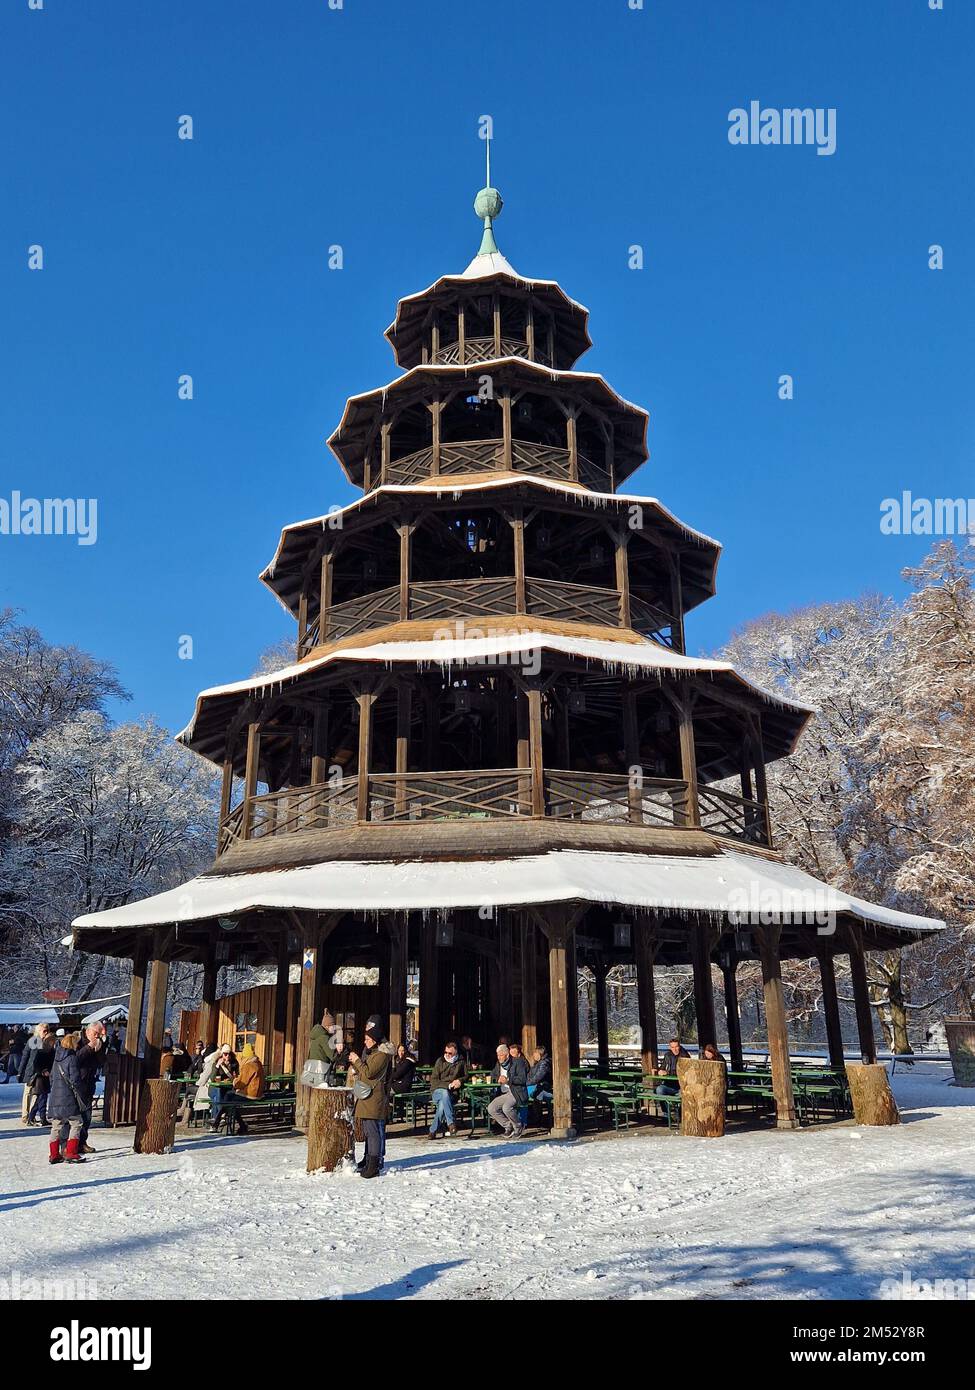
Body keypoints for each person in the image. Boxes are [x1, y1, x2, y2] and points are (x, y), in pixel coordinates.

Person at [346, 1016, 392, 1179]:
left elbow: (369, 1073)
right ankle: (369, 1161)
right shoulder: (373, 1052)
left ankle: (373, 1165)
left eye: (367, 1038)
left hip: (374, 1098)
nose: (364, 1041)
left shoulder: (381, 1055)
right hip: (369, 1098)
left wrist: (358, 1061)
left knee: (373, 1132)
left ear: (374, 1039)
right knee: (369, 1131)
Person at [48, 1033, 87, 1164]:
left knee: (56, 1125)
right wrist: (82, 1094)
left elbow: (52, 1078)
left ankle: (54, 1154)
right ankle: (71, 1152)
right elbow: (75, 1080)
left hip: (55, 1097)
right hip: (68, 1098)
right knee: (77, 1122)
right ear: (73, 1043)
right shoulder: (72, 1058)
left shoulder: (56, 1058)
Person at [487, 1041, 530, 1139]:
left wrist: (508, 1080)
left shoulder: (518, 1062)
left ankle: (518, 1126)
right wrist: (498, 1077)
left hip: (517, 1091)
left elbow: (522, 1079)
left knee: (506, 1107)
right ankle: (508, 1126)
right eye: (498, 1055)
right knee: (491, 1108)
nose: (498, 1057)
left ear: (507, 1055)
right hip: (504, 1092)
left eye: (501, 1055)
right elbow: (493, 1074)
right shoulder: (499, 1064)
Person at [221, 1043, 266, 1134]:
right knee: (230, 1101)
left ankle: (224, 1120)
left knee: (228, 1097)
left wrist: (234, 1081)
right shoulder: (258, 1063)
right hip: (258, 1093)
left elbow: (241, 1083)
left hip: (251, 1094)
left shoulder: (248, 1065)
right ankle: (223, 1120)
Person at [76, 1023, 106, 1154]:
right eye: (96, 1033)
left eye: (99, 1034)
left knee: (87, 1116)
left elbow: (101, 1063)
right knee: (74, 1116)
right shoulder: (77, 1040)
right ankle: (70, 1143)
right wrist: (89, 1047)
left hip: (89, 1082)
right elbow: (75, 1060)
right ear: (88, 1031)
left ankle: (82, 1142)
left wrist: (100, 1049)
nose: (97, 1036)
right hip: (77, 1083)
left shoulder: (98, 1043)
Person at [428, 1040, 466, 1138]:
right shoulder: (440, 1061)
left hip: (452, 1093)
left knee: (442, 1106)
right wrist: (448, 1085)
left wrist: (459, 1081)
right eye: (446, 1052)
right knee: (444, 1093)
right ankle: (451, 1123)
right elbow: (434, 1080)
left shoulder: (461, 1062)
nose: (447, 1055)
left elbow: (466, 1076)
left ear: (455, 1052)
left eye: (450, 1053)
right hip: (437, 1091)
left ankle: (432, 1130)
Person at [306, 1009, 344, 1086]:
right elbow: (333, 1056)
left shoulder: (317, 1036)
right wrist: (340, 1050)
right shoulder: (324, 1038)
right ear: (327, 1026)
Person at [27, 1033, 56, 1126]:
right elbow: (36, 1064)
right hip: (40, 1078)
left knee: (40, 1099)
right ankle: (42, 1118)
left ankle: (31, 1117)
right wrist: (43, 1071)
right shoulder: (42, 1051)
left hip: (44, 1077)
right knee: (42, 1098)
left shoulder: (50, 1051)